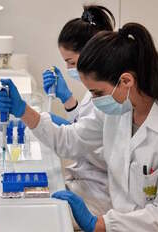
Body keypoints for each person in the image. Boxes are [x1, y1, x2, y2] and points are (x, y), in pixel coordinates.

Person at [0, 22, 158, 232]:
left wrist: (99, 224)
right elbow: (70, 141)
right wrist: (23, 110)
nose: (94, 101)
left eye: (97, 93)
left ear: (126, 81)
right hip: (122, 224)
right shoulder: (118, 113)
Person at [42, 5, 115, 217]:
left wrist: (66, 130)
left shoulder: (111, 92)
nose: (69, 69)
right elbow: (88, 125)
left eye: (71, 62)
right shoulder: (95, 90)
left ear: (90, 53)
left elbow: (104, 151)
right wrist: (67, 100)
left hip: (100, 193)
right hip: (85, 182)